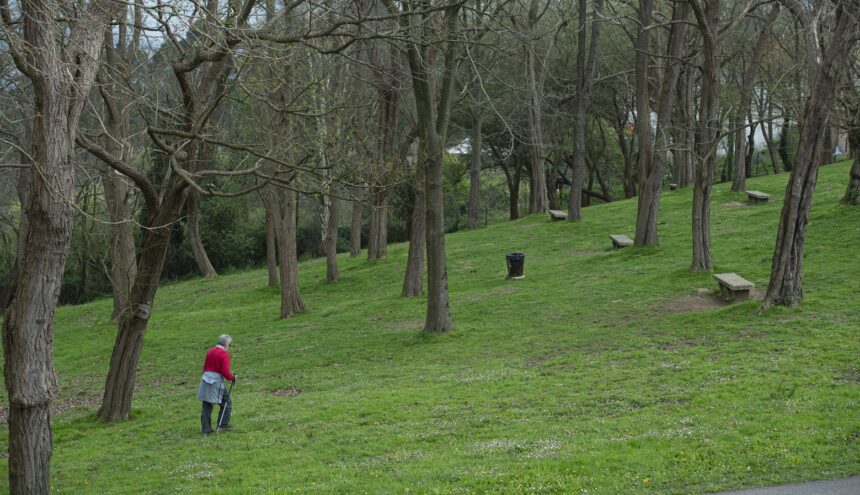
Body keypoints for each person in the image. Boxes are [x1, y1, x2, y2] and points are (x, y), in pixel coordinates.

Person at [197, 334, 236, 435]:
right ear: (226, 344)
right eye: (229, 344)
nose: (229, 346)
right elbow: (225, 372)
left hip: (205, 380)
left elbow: (205, 367)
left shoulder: (210, 351)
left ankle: (205, 430)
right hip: (215, 382)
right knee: (226, 402)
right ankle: (223, 424)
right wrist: (232, 378)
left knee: (206, 405)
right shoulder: (224, 355)